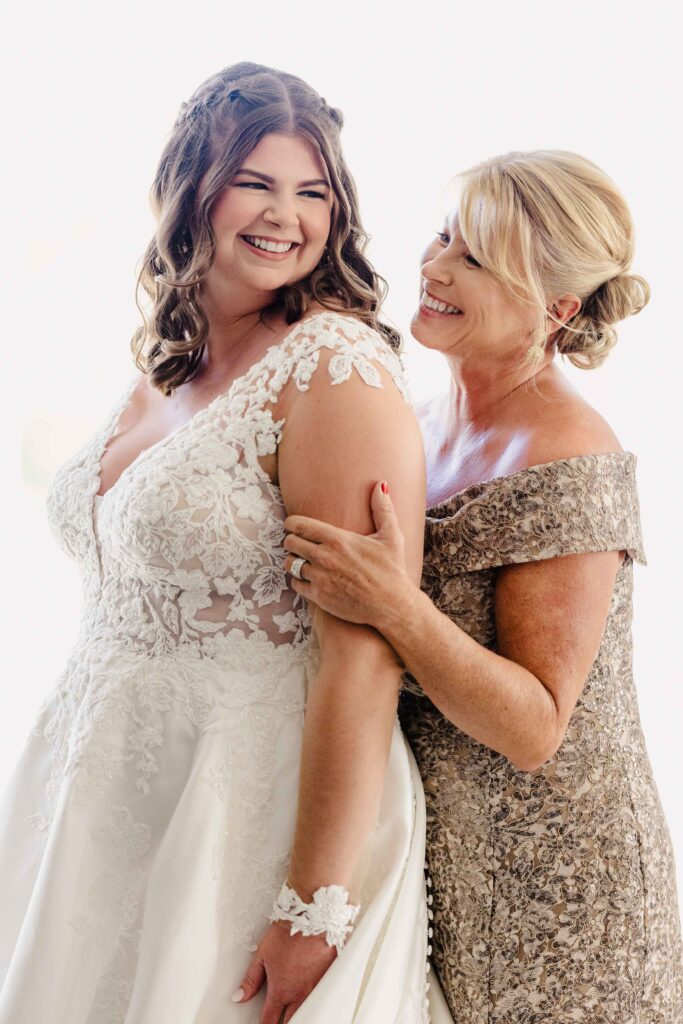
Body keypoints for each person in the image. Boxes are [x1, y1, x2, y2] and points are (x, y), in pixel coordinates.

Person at [0, 63, 443, 1023]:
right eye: (256, 183)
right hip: (103, 786)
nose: (286, 216)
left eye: (312, 192)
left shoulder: (335, 367)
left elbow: (360, 658)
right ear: (190, 188)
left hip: (242, 805)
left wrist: (313, 905)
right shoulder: (173, 356)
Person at [282, 150, 683, 1022]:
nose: (432, 269)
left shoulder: (570, 456)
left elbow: (534, 726)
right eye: (441, 238)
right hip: (438, 862)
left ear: (558, 309)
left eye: (475, 260)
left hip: (565, 895)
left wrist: (392, 603)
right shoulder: (413, 424)